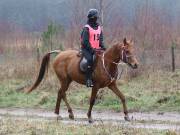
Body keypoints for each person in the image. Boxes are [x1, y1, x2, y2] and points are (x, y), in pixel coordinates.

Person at [81, 9, 106, 87]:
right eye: (95, 17)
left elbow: (100, 40)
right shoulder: (86, 28)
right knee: (90, 59)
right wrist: (92, 50)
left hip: (97, 49)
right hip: (87, 49)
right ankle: (88, 79)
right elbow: (84, 42)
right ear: (92, 18)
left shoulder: (99, 28)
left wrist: (103, 46)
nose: (96, 18)